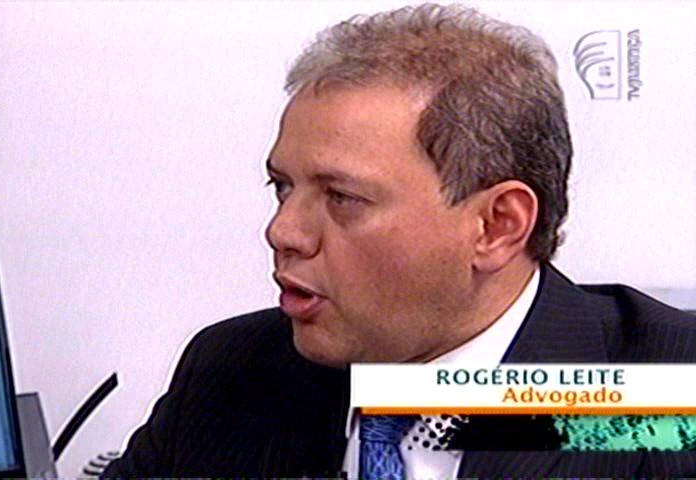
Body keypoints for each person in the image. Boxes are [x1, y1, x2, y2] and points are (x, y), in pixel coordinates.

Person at [102, 3, 696, 478]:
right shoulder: (233, 372)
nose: (282, 231)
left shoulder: (668, 395)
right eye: (282, 187)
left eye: (342, 197)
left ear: (497, 226)